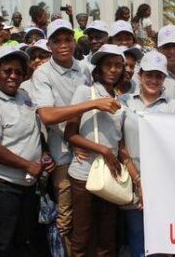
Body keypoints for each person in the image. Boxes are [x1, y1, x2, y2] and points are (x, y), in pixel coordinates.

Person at [31, 19, 120, 254]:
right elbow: (48, 116)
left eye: (67, 39)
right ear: (49, 44)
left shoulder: (84, 68)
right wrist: (89, 106)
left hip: (88, 147)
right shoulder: (43, 74)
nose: (63, 45)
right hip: (63, 149)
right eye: (57, 41)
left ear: (74, 41)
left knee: (96, 220)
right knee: (68, 216)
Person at [0, 46, 55, 255]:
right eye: (7, 71)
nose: (13, 76)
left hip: (27, 187)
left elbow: (34, 132)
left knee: (23, 244)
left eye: (19, 72)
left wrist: (44, 154)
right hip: (0, 188)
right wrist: (27, 164)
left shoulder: (24, 96)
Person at [118, 51, 175, 257]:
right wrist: (138, 179)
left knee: (162, 240)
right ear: (140, 75)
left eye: (159, 76)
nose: (153, 80)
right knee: (137, 235)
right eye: (149, 75)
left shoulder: (174, 108)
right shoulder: (123, 103)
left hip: (162, 185)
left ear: (164, 78)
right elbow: (119, 143)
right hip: (131, 180)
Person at [64, 44, 126, 257]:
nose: (113, 69)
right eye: (108, 65)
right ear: (99, 69)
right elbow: (69, 134)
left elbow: (120, 140)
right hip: (84, 174)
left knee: (107, 238)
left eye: (118, 65)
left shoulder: (121, 100)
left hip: (110, 175)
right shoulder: (85, 92)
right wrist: (104, 151)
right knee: (82, 236)